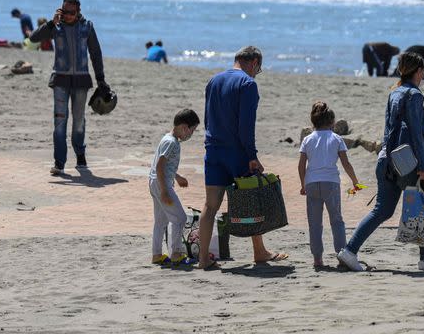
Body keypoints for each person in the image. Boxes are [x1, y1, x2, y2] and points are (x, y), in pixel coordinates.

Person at [338, 52, 424, 272]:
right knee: (422, 206)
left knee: (382, 210)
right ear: (419, 71)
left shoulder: (395, 92)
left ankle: (349, 251)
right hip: (409, 163)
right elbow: (417, 134)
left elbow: (391, 130)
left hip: (388, 160)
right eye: (423, 71)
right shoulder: (414, 95)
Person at [197, 46, 287, 270]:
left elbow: (207, 119)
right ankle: (259, 252)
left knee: (210, 206)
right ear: (254, 62)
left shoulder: (213, 81)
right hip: (237, 152)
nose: (257, 73)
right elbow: (246, 125)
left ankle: (202, 259)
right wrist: (252, 155)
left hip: (213, 149)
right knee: (252, 200)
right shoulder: (248, 84)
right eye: (259, 69)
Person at [29, 0, 108, 176]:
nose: (68, 15)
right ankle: (59, 162)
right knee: (59, 121)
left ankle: (80, 155)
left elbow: (96, 53)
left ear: (78, 11)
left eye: (71, 12)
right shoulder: (55, 26)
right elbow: (33, 39)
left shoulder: (87, 27)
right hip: (60, 81)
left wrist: (101, 79)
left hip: (81, 81)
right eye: (65, 11)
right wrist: (50, 23)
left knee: (79, 121)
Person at [298, 101, 360, 268]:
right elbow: (346, 164)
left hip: (311, 183)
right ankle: (341, 255)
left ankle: (317, 258)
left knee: (315, 223)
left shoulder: (307, 139)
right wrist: (355, 182)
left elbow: (301, 165)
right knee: (337, 221)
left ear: (313, 122)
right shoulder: (337, 138)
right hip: (331, 183)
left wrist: (303, 184)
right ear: (332, 122)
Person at [149, 108, 199, 267]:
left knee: (161, 221)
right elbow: (160, 166)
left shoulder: (168, 138)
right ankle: (176, 253)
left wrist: (177, 177)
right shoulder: (171, 142)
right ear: (184, 127)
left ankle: (156, 254)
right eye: (192, 130)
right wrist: (164, 190)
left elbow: (166, 166)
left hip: (155, 183)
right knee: (180, 218)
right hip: (161, 185)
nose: (190, 134)